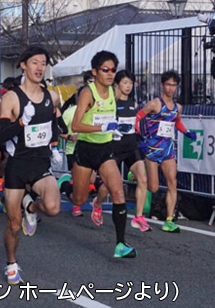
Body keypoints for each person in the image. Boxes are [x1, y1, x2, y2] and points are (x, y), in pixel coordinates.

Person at [0, 46, 62, 284]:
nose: (39, 68)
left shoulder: (52, 96)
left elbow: (54, 123)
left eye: (43, 63)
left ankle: (31, 208)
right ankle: (11, 263)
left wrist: (54, 144)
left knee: (53, 207)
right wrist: (21, 122)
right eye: (34, 62)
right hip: (17, 165)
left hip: (40, 164)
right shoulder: (12, 98)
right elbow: (0, 136)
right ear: (23, 65)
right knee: (13, 223)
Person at [71, 50, 136, 258]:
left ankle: (120, 244)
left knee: (117, 192)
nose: (110, 74)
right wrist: (102, 127)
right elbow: (76, 125)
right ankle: (65, 184)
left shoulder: (115, 93)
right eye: (105, 70)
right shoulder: (87, 93)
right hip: (86, 149)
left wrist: (118, 127)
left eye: (113, 70)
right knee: (78, 199)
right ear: (95, 71)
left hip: (106, 149)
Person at [92, 70, 154, 231]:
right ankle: (97, 204)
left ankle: (138, 217)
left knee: (143, 178)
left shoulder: (133, 104)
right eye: (125, 83)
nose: (128, 86)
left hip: (131, 147)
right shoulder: (111, 104)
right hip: (115, 148)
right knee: (108, 184)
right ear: (117, 85)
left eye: (130, 83)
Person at [135, 70, 197, 233]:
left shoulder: (177, 107)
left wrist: (187, 133)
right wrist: (140, 136)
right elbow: (138, 117)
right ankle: (135, 175)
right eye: (168, 84)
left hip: (168, 149)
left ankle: (169, 220)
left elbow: (177, 123)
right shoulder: (155, 103)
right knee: (154, 187)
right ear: (163, 85)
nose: (171, 88)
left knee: (172, 183)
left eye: (174, 85)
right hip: (152, 149)